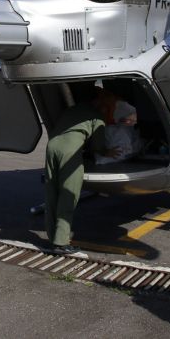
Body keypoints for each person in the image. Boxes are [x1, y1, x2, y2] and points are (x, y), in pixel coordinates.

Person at [44, 88, 119, 254]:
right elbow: (98, 146)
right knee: (69, 194)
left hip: (51, 146)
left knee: (52, 192)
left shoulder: (74, 109)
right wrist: (109, 152)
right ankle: (61, 243)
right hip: (69, 151)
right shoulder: (97, 116)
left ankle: (52, 237)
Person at [95, 101, 140, 165]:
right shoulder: (118, 131)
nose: (134, 120)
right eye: (131, 116)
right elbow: (122, 153)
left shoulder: (126, 129)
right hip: (108, 164)